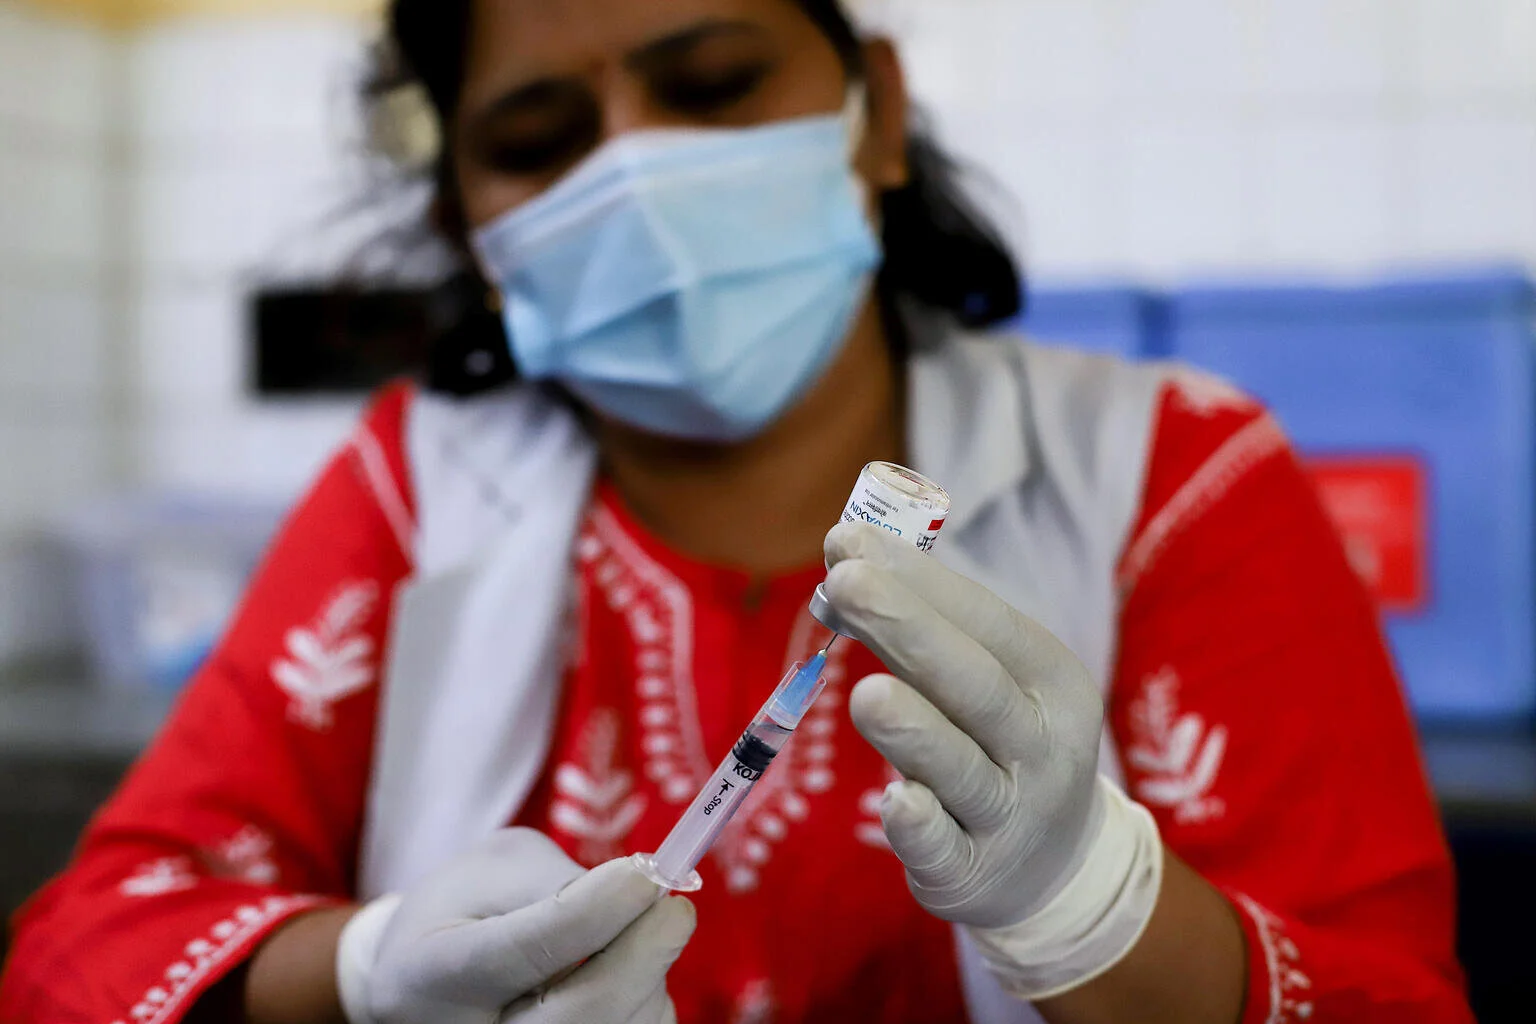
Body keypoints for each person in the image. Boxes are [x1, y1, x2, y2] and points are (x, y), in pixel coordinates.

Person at [0, 1, 1474, 1022]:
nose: (635, 176)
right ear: (472, 230)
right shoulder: (419, 491)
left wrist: (1087, 902)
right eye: (540, 135)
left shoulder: (1168, 475)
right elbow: (82, 956)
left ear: (876, 114)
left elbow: (1391, 1001)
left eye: (710, 86)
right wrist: (368, 973)